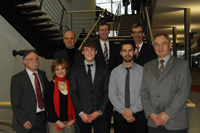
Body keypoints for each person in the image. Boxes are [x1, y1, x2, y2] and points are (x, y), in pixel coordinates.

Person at [141, 33, 191, 133]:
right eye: (156, 44)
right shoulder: (147, 66)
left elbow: (183, 92)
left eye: (163, 43)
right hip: (153, 121)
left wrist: (168, 114)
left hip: (175, 121)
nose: (160, 47)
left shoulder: (182, 65)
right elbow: (144, 93)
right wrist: (151, 113)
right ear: (153, 46)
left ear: (170, 45)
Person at [70, 40, 109, 133]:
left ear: (96, 52)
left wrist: (99, 111)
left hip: (99, 113)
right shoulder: (75, 70)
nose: (89, 52)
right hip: (83, 114)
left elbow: (107, 92)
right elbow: (73, 93)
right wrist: (81, 113)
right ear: (82, 52)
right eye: (86, 50)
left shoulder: (103, 69)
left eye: (92, 50)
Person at [109, 40, 148, 133]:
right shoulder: (115, 72)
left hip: (139, 116)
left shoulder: (143, 71)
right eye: (124, 51)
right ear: (120, 53)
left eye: (130, 50)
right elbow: (112, 95)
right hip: (120, 116)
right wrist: (125, 112)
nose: (127, 53)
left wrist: (132, 110)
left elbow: (145, 93)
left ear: (134, 52)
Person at [10, 51, 48, 133]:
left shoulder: (42, 74)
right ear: (24, 61)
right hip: (26, 121)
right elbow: (15, 103)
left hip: (41, 119)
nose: (34, 61)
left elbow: (48, 93)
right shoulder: (17, 79)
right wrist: (23, 120)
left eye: (36, 59)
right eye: (31, 59)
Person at [96, 22, 121, 130]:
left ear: (109, 31)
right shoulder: (93, 47)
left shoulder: (116, 47)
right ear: (98, 32)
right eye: (102, 30)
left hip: (112, 86)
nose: (104, 32)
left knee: (109, 111)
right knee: (99, 115)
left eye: (106, 29)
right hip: (97, 87)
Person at [45, 59, 76, 133]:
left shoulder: (71, 84)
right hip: (54, 122)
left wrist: (73, 119)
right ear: (54, 71)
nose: (60, 71)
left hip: (69, 121)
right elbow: (48, 106)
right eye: (57, 69)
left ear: (66, 69)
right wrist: (57, 121)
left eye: (62, 68)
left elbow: (76, 102)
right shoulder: (50, 85)